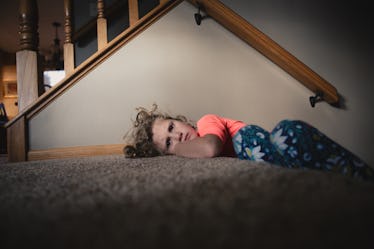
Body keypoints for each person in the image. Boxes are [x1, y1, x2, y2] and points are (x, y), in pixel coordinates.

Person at [123, 104, 374, 181]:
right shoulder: (188, 161)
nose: (176, 136)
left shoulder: (205, 122)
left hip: (274, 144)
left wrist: (175, 149)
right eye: (167, 143)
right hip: (276, 166)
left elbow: (211, 147)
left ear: (180, 120)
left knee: (285, 130)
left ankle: (361, 174)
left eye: (171, 128)